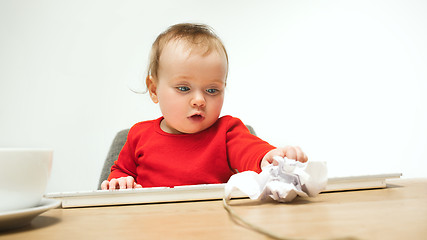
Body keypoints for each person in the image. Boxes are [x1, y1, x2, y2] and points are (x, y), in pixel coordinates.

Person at [101, 23, 307, 190]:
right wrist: (120, 181)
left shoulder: (227, 131)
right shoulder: (139, 135)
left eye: (212, 90)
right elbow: (120, 172)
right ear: (154, 90)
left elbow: (251, 151)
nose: (199, 100)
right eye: (183, 88)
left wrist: (268, 158)